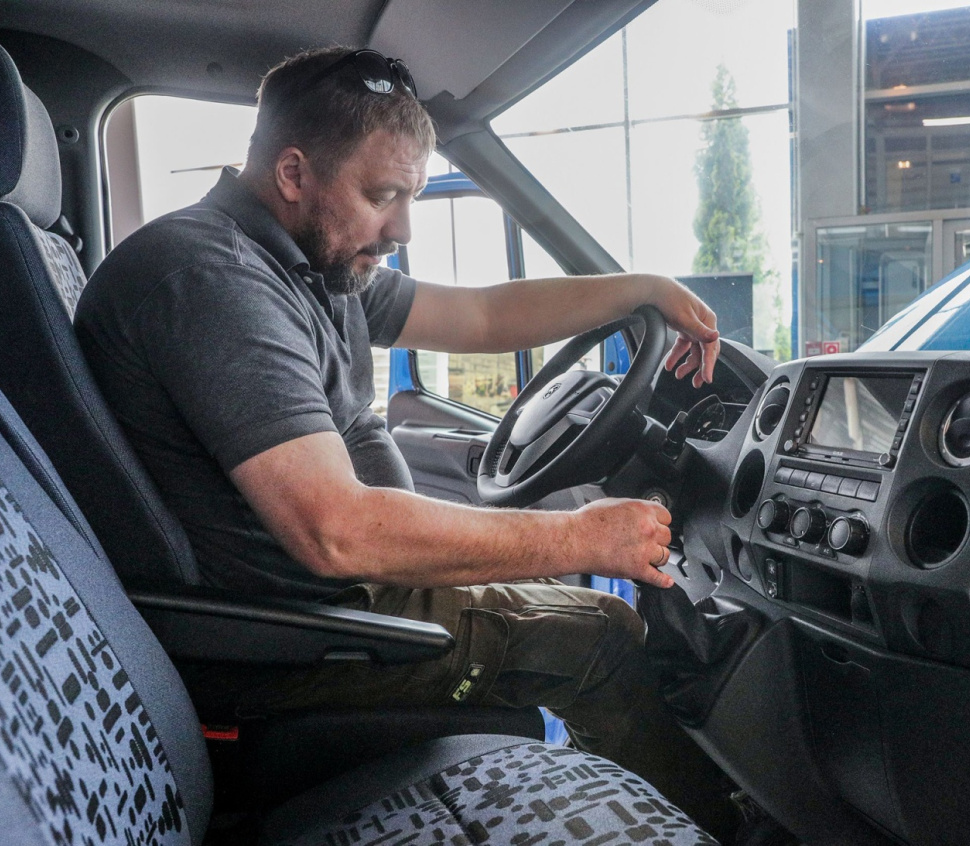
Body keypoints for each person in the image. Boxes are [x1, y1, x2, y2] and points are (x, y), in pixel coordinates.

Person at [75, 47, 733, 837]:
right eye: (382, 195)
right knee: (606, 638)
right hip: (295, 637)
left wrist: (641, 289)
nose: (402, 228)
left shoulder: (311, 262)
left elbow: (481, 316)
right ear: (293, 173)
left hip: (330, 604)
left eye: (411, 196)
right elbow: (337, 531)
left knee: (576, 595)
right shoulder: (213, 280)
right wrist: (582, 537)